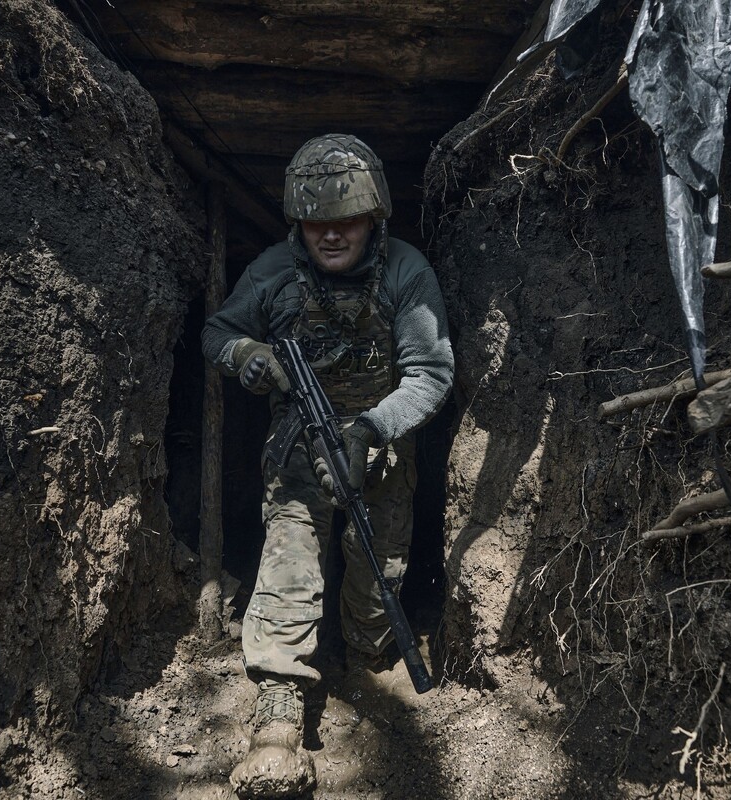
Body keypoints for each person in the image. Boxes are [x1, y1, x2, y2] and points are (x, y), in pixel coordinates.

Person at [201, 133, 453, 797]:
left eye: (346, 222)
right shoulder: (271, 271)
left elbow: (429, 372)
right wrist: (251, 357)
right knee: (289, 563)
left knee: (376, 578)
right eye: (317, 223)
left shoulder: (406, 272)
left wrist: (371, 430)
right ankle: (279, 714)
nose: (331, 235)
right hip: (297, 446)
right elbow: (218, 333)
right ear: (298, 223)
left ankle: (368, 654)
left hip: (382, 443)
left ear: (375, 219)